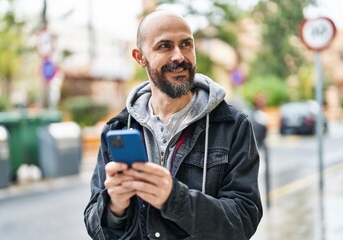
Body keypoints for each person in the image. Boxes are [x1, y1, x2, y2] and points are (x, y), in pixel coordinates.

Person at [84, 10, 262, 240]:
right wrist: (114, 206)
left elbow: (244, 220)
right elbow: (93, 225)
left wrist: (174, 198)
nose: (179, 56)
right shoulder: (117, 128)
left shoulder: (232, 125)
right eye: (164, 46)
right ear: (140, 57)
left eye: (186, 44)